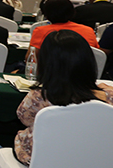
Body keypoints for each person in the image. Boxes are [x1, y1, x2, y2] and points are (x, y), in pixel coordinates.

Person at [13, 29, 113, 165]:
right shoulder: (108, 96)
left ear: (46, 63)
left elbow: (24, 118)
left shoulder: (38, 97)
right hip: (95, 159)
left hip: (45, 159)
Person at [28, 0, 98, 58]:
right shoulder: (88, 30)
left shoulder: (40, 31)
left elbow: (32, 58)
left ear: (45, 14)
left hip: (51, 67)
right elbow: (98, 56)